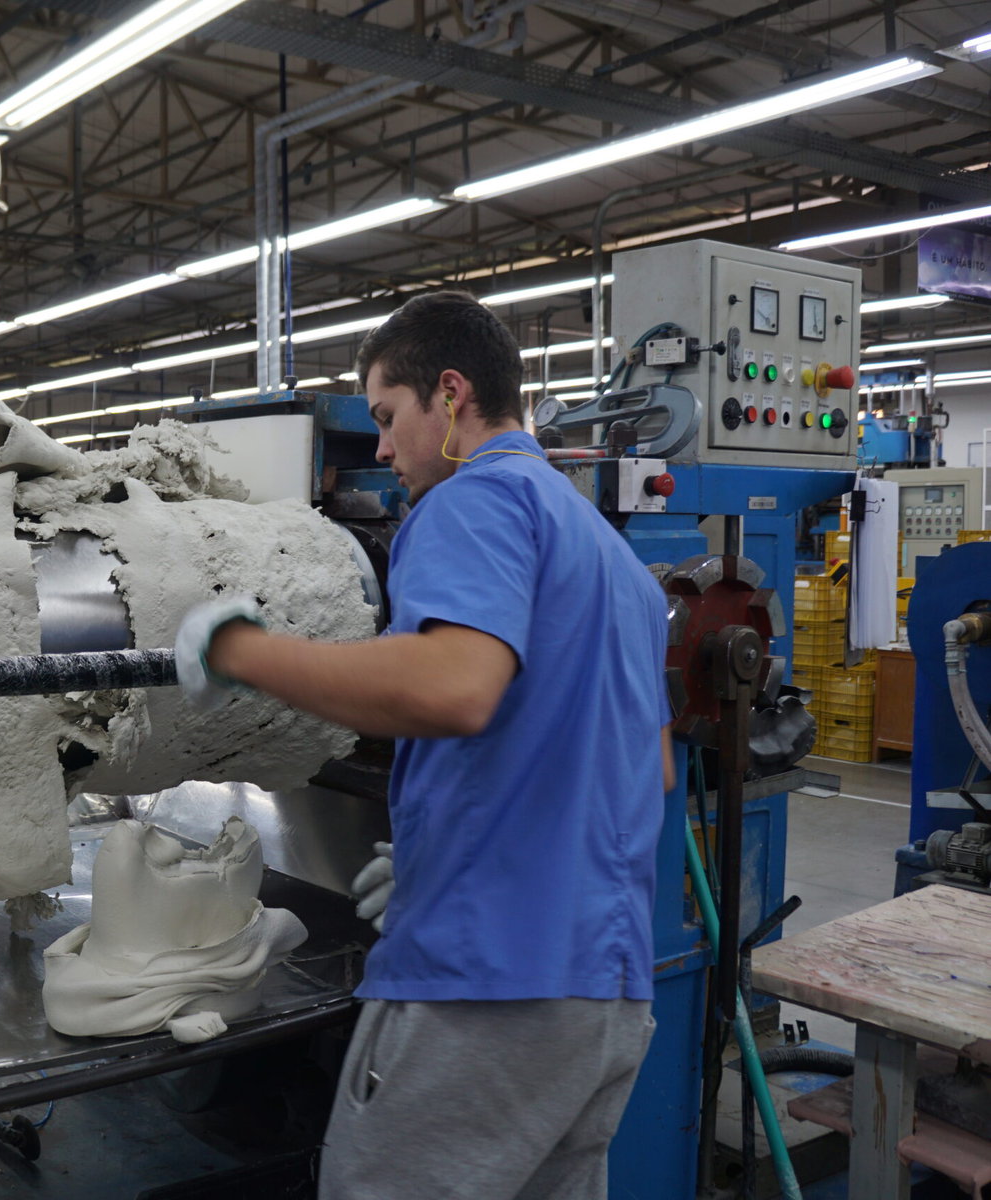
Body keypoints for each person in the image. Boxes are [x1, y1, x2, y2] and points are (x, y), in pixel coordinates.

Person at [174, 291, 675, 1200]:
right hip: (606, 994)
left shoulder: (469, 502)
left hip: (488, 989)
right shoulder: (612, 559)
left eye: (387, 415)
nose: (381, 448)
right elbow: (649, 767)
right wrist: (453, 847)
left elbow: (454, 686)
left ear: (451, 396)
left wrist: (240, 651)